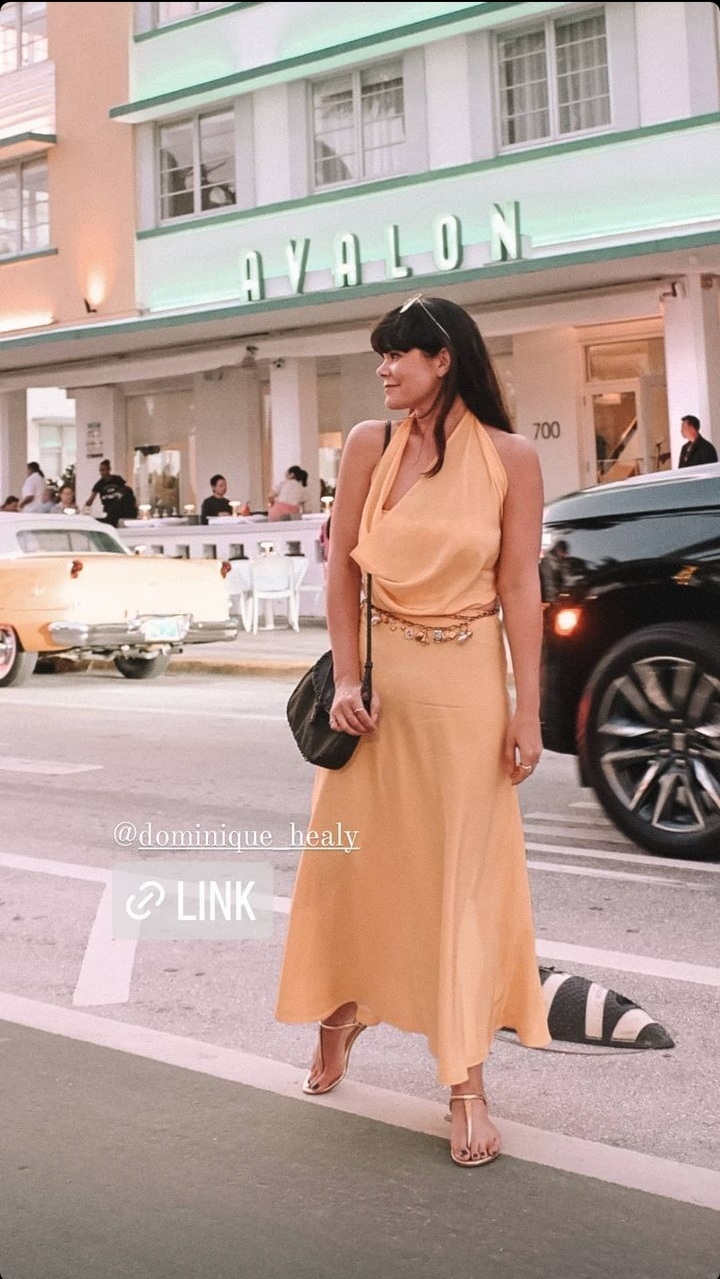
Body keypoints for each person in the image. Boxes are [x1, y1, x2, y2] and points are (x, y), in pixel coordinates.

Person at [276, 294, 550, 1168]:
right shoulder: (368, 444)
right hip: (377, 690)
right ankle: (339, 1012)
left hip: (465, 688)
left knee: (456, 882)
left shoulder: (512, 458)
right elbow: (341, 574)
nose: (385, 368)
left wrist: (528, 708)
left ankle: (465, 1083)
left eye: (400, 354)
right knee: (353, 865)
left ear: (444, 359)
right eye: (382, 354)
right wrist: (347, 677)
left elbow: (520, 588)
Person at [83, 460, 130, 526]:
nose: (102, 473)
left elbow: (127, 491)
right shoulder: (99, 484)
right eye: (100, 470)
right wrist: (85, 509)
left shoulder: (117, 479)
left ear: (109, 469)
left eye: (104, 470)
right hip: (109, 511)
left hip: (121, 509)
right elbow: (91, 498)